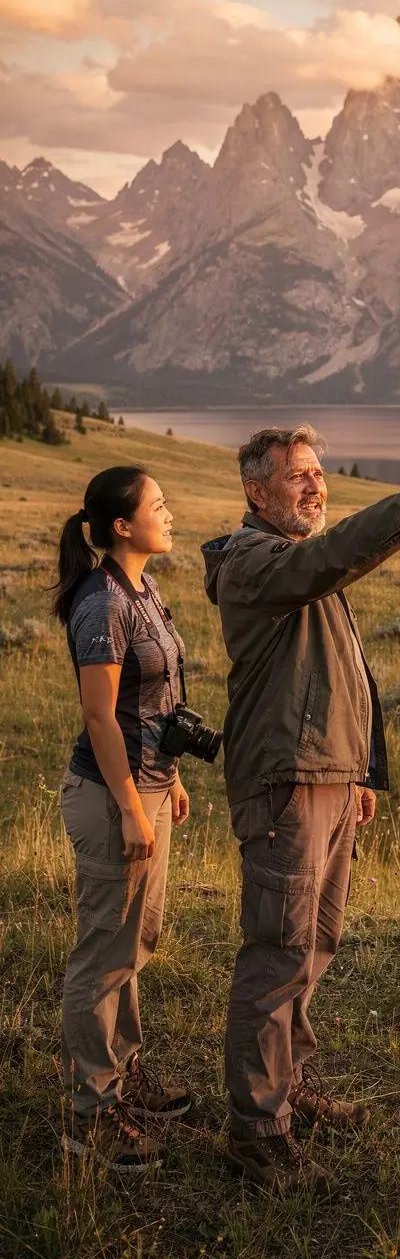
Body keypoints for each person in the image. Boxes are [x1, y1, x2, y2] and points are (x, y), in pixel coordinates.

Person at [202, 423, 400, 1193]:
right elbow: (329, 557)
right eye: (297, 476)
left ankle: (287, 1084)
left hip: (330, 780)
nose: (315, 485)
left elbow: (342, 673)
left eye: (319, 472)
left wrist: (363, 771)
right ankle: (255, 1128)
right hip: (288, 783)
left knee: (315, 944)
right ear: (256, 492)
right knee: (277, 949)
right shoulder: (256, 562)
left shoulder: (303, 567)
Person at [52, 467, 193, 1172]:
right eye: (157, 506)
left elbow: (154, 700)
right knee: (103, 955)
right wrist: (135, 804)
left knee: (137, 940)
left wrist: (171, 778)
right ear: (120, 526)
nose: (169, 513)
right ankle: (91, 1116)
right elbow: (100, 717)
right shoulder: (101, 603)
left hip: (148, 790)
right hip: (113, 799)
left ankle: (123, 1075)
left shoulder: (145, 589)